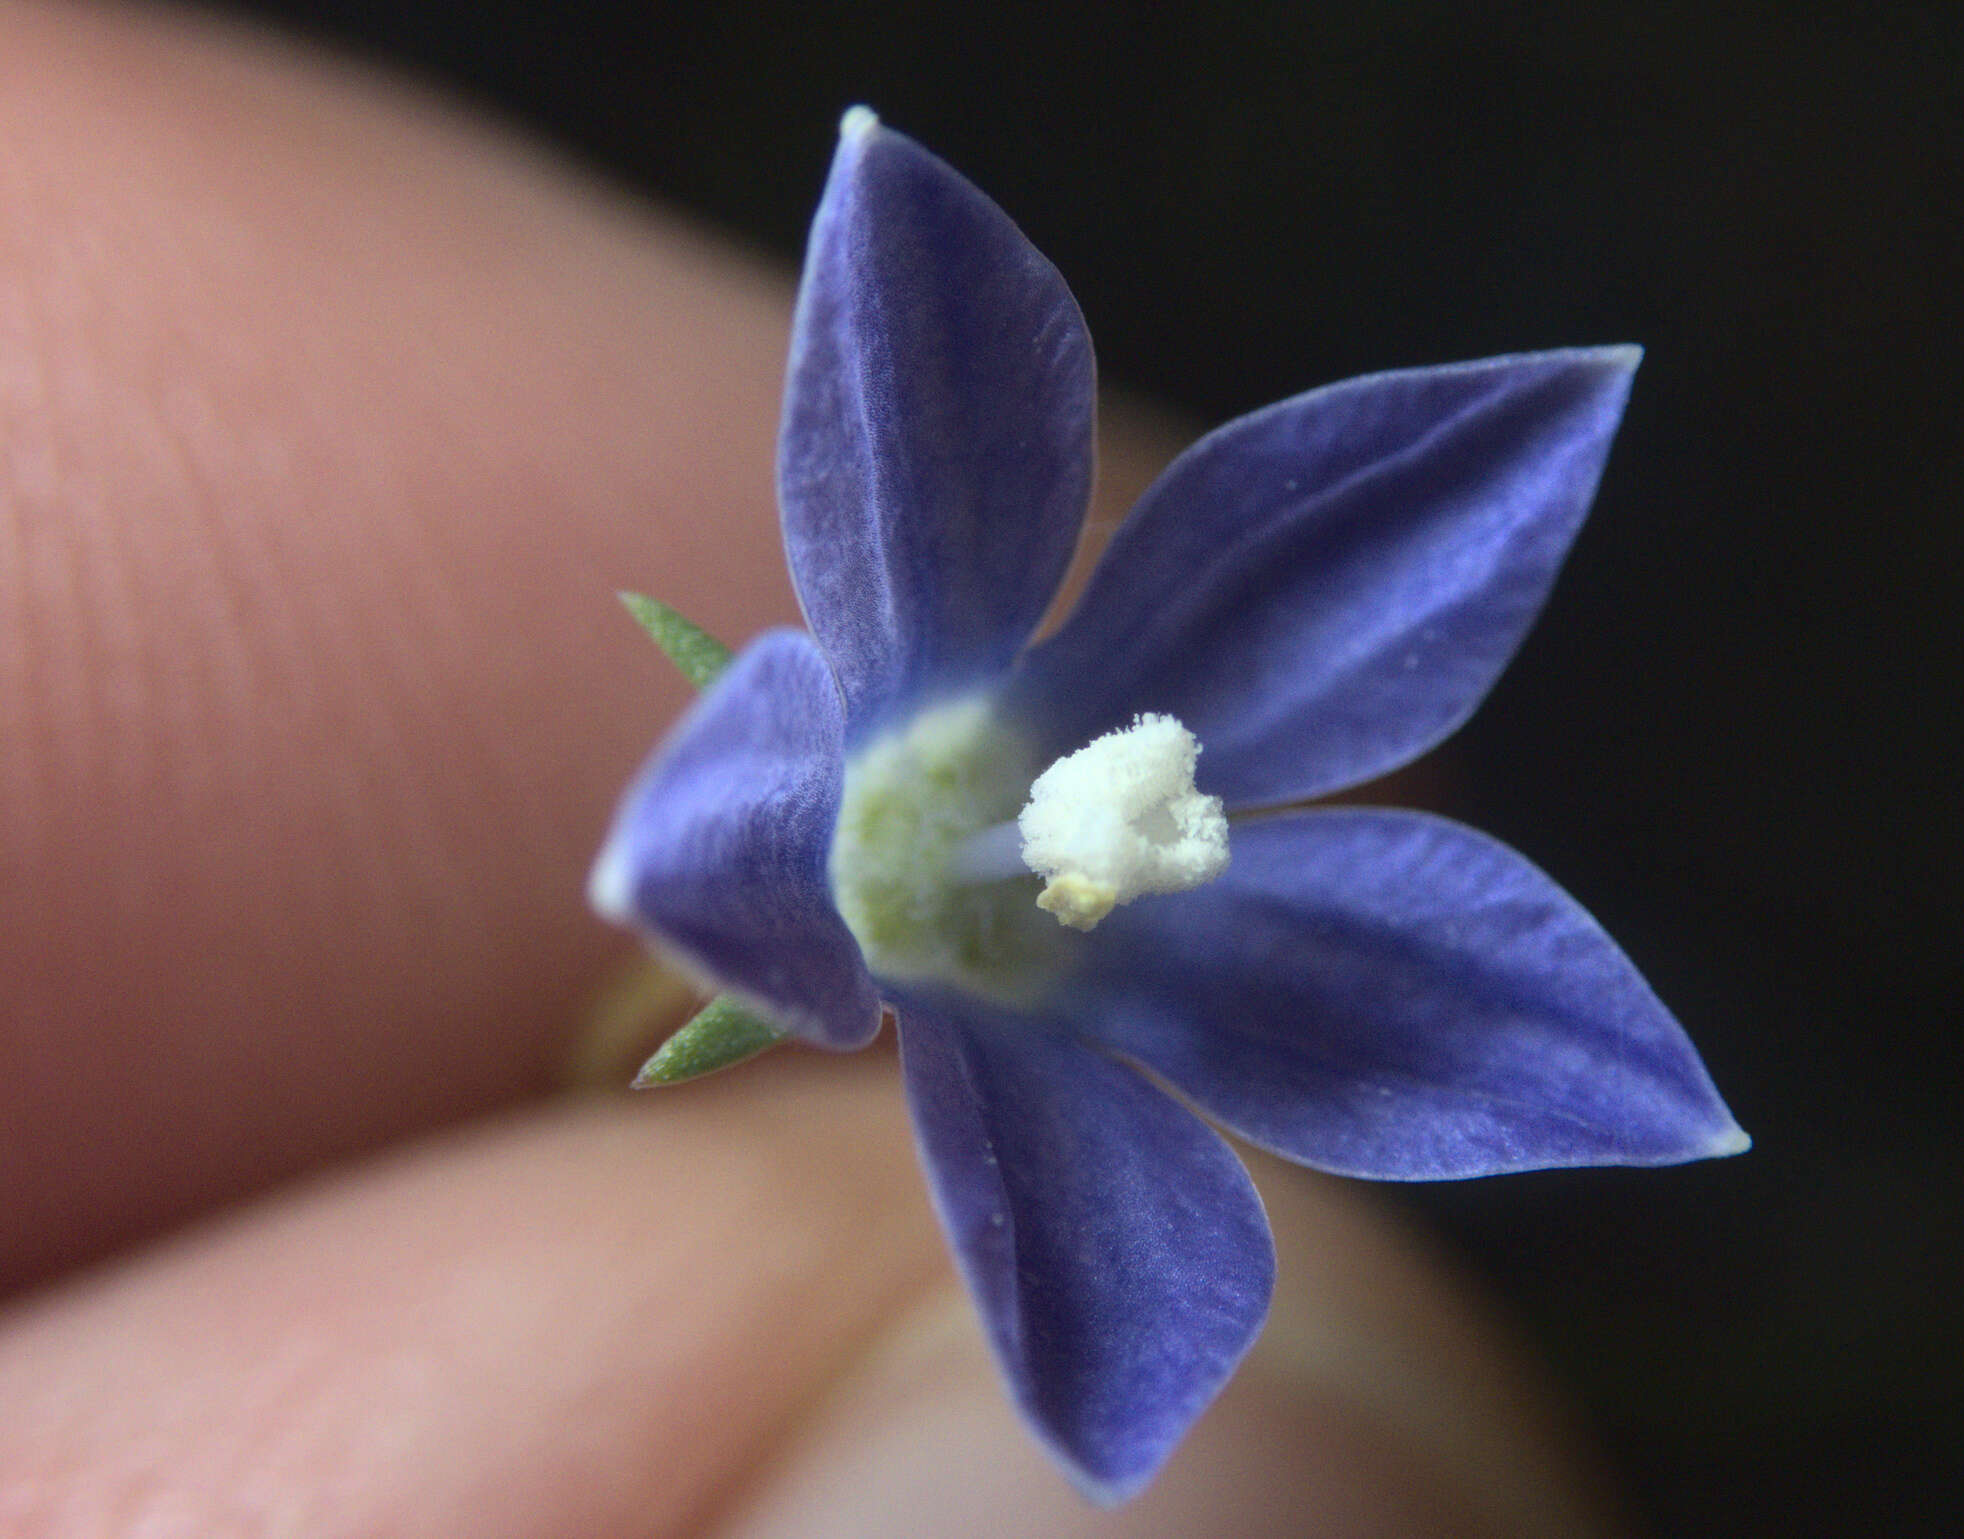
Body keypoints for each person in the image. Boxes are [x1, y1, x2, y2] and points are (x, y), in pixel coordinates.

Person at [0, 5, 1624, 1532]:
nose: (1091, 818)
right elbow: (710, 848)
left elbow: (1125, 1367)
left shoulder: (1044, 1099)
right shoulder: (739, 849)